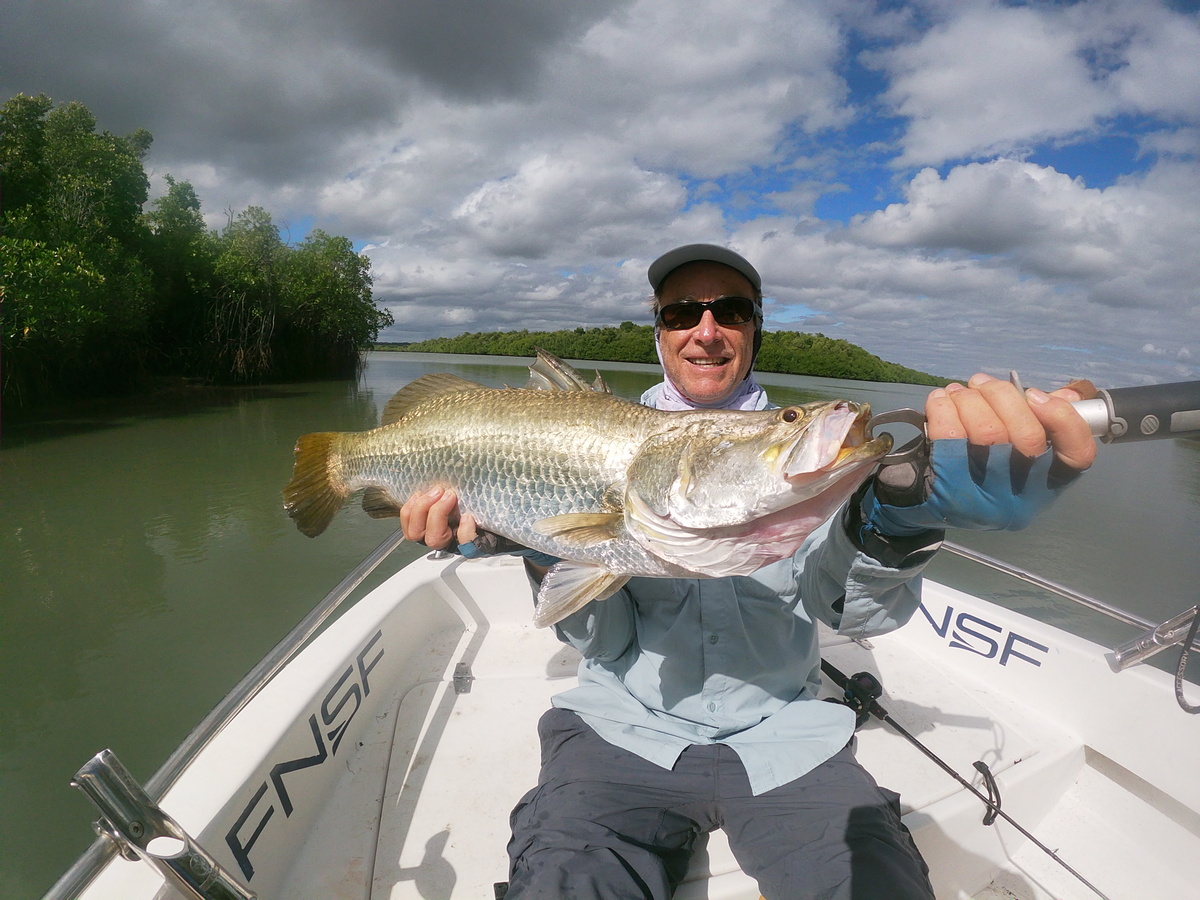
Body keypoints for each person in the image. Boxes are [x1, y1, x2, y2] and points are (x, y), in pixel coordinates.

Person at [399, 244, 1096, 900]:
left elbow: (852, 614)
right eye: (680, 313)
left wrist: (903, 519)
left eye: (730, 311)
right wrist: (545, 546)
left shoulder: (810, 467)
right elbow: (602, 645)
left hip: (786, 738)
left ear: (755, 330)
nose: (706, 330)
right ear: (660, 334)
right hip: (619, 733)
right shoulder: (612, 442)